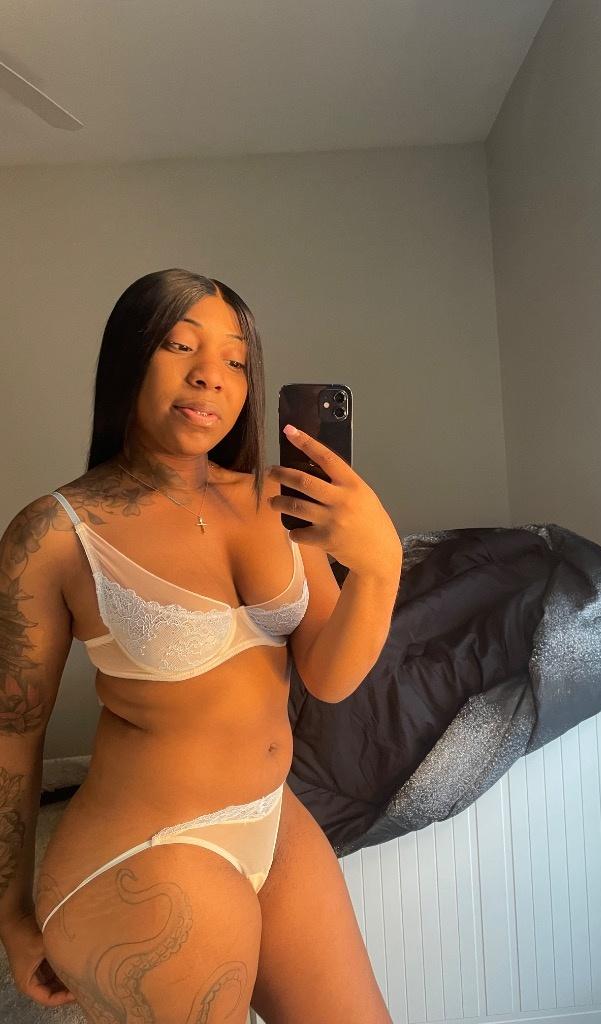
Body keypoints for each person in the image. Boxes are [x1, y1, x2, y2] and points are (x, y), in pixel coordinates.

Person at [0, 268, 402, 1024]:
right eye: (180, 345)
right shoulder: (54, 533)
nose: (211, 375)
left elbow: (330, 676)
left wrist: (380, 566)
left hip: (274, 821)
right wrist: (10, 915)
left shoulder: (275, 500)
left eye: (236, 359)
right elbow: (11, 737)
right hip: (146, 849)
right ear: (130, 358)